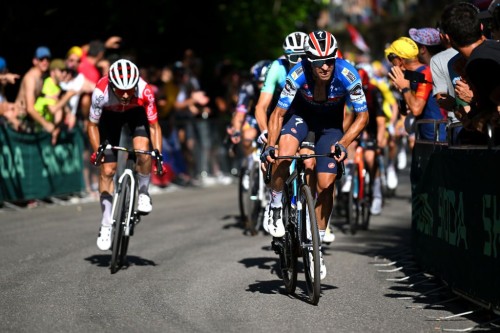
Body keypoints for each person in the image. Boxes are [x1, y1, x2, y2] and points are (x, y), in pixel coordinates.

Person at [261, 30, 369, 279]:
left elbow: (362, 116)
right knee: (284, 154)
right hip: (301, 118)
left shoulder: (347, 73)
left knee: (325, 184)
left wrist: (343, 143)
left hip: (330, 126)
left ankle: (316, 245)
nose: (325, 67)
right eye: (319, 62)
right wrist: (270, 145)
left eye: (330, 60)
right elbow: (277, 114)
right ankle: (276, 203)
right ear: (309, 60)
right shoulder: (297, 73)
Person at [87, 58, 165, 251]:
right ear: (112, 84)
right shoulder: (100, 91)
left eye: (129, 90)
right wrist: (98, 150)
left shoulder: (144, 90)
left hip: (136, 114)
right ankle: (106, 223)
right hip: (109, 118)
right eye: (120, 90)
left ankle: (144, 193)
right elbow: (92, 125)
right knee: (108, 169)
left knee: (143, 151)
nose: (124, 94)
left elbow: (154, 126)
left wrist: (157, 154)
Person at [440, 2, 500, 143]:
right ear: (481, 27)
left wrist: (472, 97)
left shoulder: (477, 63)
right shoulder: (495, 48)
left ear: (448, 38)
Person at [386, 37, 447, 144]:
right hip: (422, 137)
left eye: (391, 58)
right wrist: (402, 92)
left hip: (437, 139)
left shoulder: (425, 73)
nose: (391, 63)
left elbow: (416, 109)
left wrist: (405, 88)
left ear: (400, 60)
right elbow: (406, 110)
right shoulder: (412, 75)